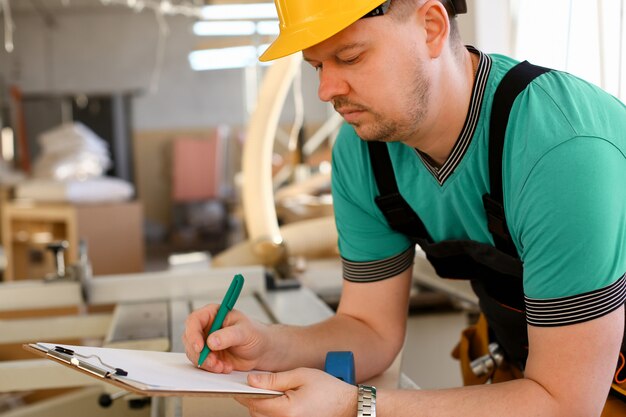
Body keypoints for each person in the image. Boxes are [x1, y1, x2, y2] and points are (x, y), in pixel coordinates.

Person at [183, 0, 626, 415]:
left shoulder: (560, 149)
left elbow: (565, 404)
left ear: (431, 28)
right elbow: (370, 328)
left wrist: (357, 405)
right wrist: (269, 344)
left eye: (350, 57)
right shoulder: (365, 156)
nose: (325, 90)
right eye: (317, 66)